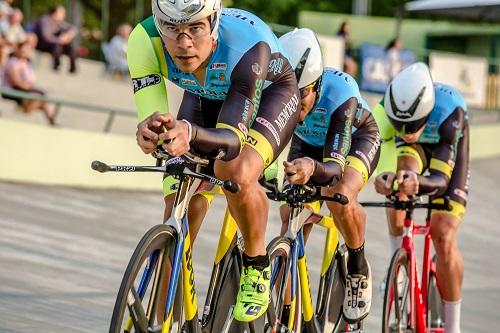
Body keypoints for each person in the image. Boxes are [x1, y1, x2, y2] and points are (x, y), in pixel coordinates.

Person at [128, 0, 300, 322]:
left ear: (214, 22)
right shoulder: (143, 41)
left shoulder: (246, 47)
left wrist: (190, 133)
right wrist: (151, 133)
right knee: (178, 199)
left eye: (195, 28)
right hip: (204, 91)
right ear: (157, 23)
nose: (184, 43)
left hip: (266, 95)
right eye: (172, 29)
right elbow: (155, 120)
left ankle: (256, 263)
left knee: (234, 170)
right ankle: (163, 319)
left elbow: (232, 142)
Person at [278, 28, 381, 323]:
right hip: (309, 143)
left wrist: (312, 169)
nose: (295, 105)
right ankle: (286, 317)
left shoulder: (341, 93)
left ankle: (358, 269)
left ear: (316, 85)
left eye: (303, 97)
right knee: (291, 212)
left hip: (354, 139)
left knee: (340, 197)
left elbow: (334, 168)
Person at [373, 62, 469, 333]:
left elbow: (441, 182)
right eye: (399, 124)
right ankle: (399, 269)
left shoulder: (451, 113)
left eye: (412, 124)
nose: (405, 131)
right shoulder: (389, 113)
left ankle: (454, 326)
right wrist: (387, 179)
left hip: (447, 146)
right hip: (417, 150)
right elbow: (381, 150)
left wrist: (420, 183)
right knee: (399, 185)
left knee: (443, 234)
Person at [1, 41, 55, 125]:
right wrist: (30, 89)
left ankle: (52, 122)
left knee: (45, 100)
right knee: (39, 96)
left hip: (25, 90)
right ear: (18, 50)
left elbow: (31, 81)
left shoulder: (27, 64)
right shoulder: (13, 63)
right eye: (24, 50)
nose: (26, 52)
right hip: (12, 91)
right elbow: (16, 82)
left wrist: (32, 88)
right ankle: (25, 110)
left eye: (28, 50)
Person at [34, 5, 78, 73]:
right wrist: (60, 40)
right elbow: (46, 37)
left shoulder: (60, 22)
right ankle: (56, 65)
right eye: (62, 13)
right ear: (55, 13)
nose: (64, 15)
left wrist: (68, 35)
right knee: (58, 45)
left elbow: (73, 28)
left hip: (57, 45)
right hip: (43, 45)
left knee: (71, 46)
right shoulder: (44, 20)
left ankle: (73, 68)